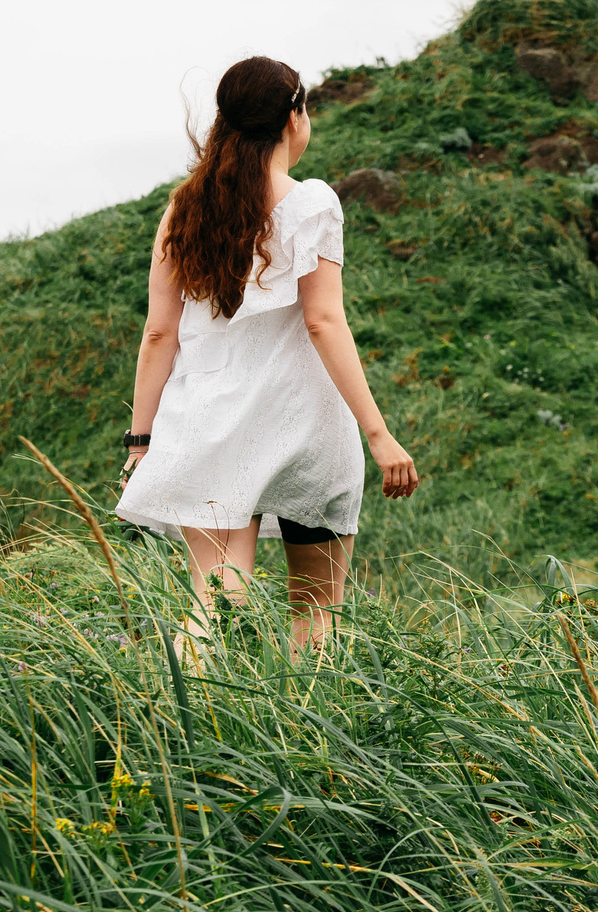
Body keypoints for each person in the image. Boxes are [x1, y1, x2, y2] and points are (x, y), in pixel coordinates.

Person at [115, 56, 418, 647]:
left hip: (210, 426)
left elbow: (159, 333)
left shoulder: (185, 207)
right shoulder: (312, 203)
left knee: (215, 606)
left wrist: (140, 440)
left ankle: (189, 728)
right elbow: (325, 321)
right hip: (303, 426)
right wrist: (379, 436)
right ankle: (307, 733)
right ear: (292, 117)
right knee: (315, 616)